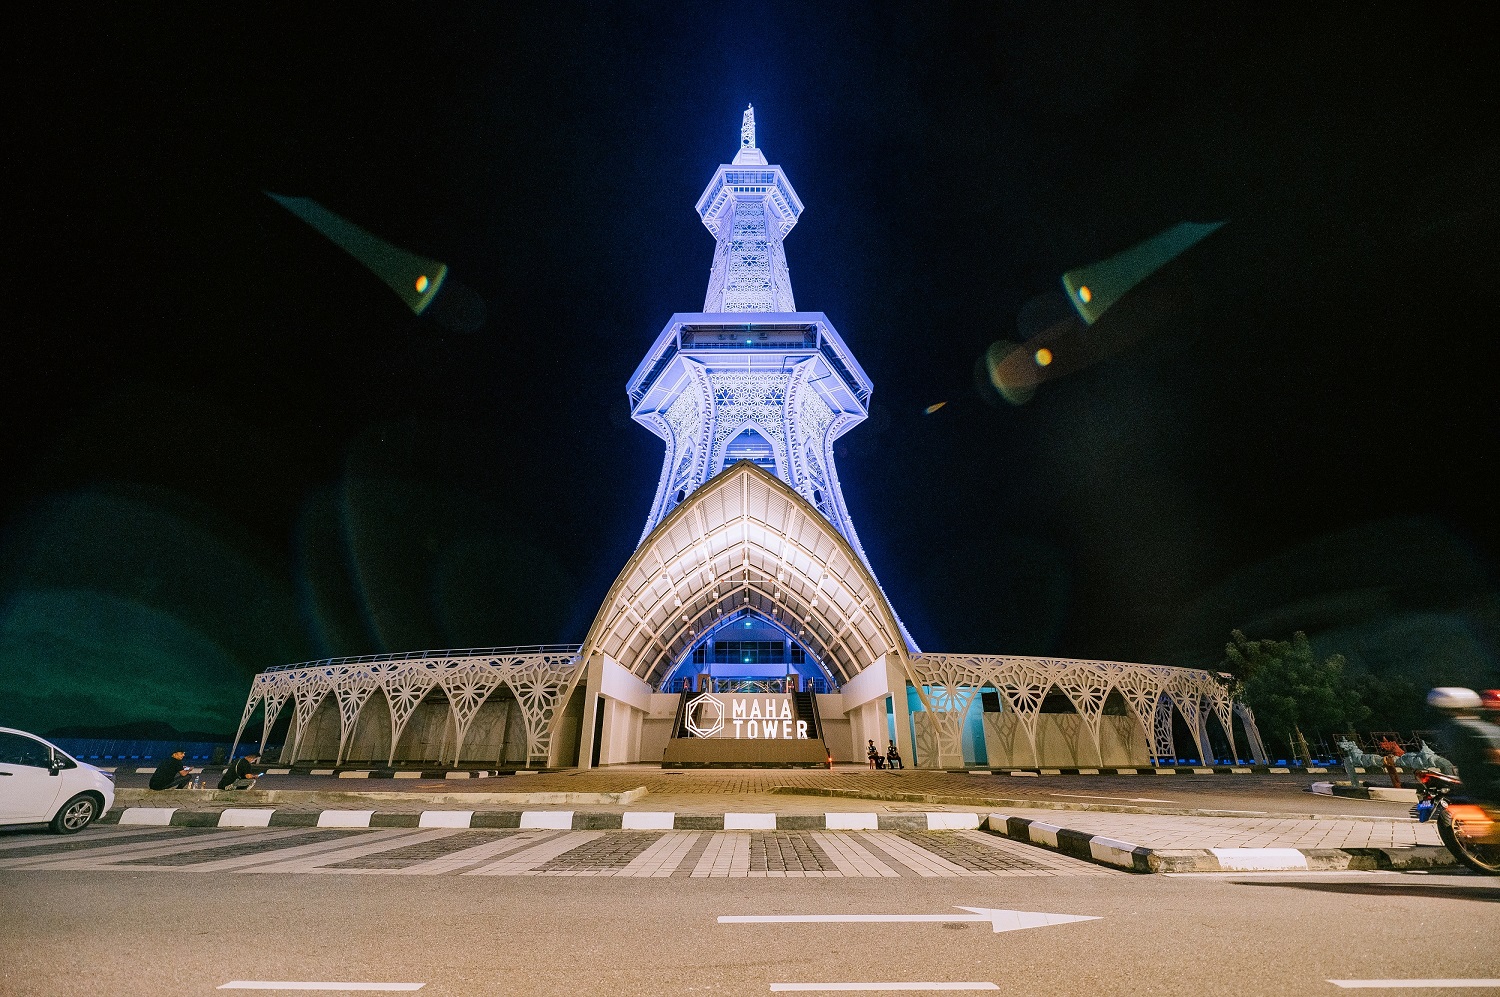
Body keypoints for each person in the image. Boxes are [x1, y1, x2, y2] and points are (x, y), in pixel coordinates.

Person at [1428, 687, 1500, 806]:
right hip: (1492, 787)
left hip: (1471, 785)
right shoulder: (1477, 729)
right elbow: (1496, 756)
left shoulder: (1449, 729)